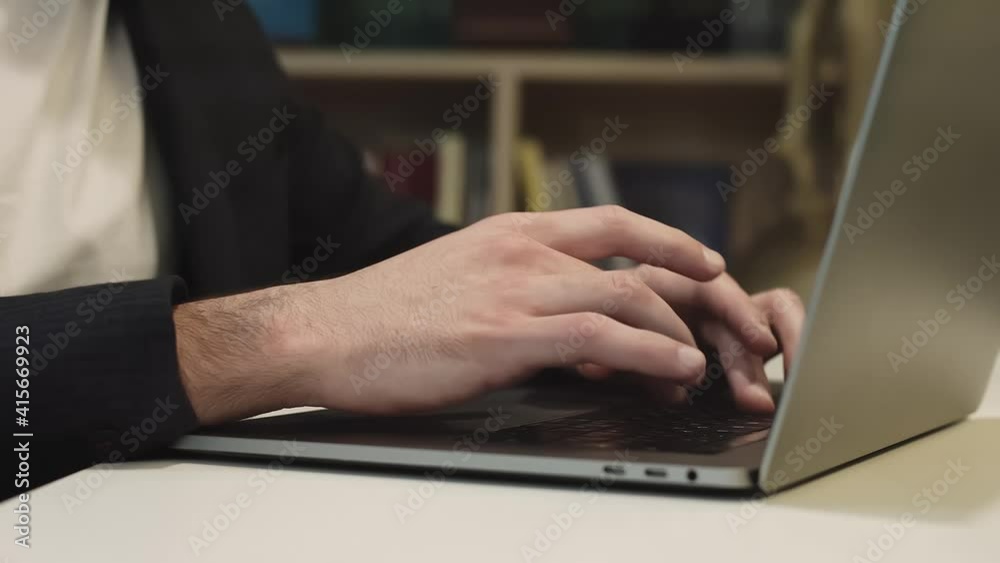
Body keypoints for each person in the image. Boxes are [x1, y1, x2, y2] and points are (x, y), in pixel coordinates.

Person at [1, 0, 805, 500]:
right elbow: (331, 315)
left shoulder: (194, 23)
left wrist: (618, 310)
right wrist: (276, 337)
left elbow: (377, 254)